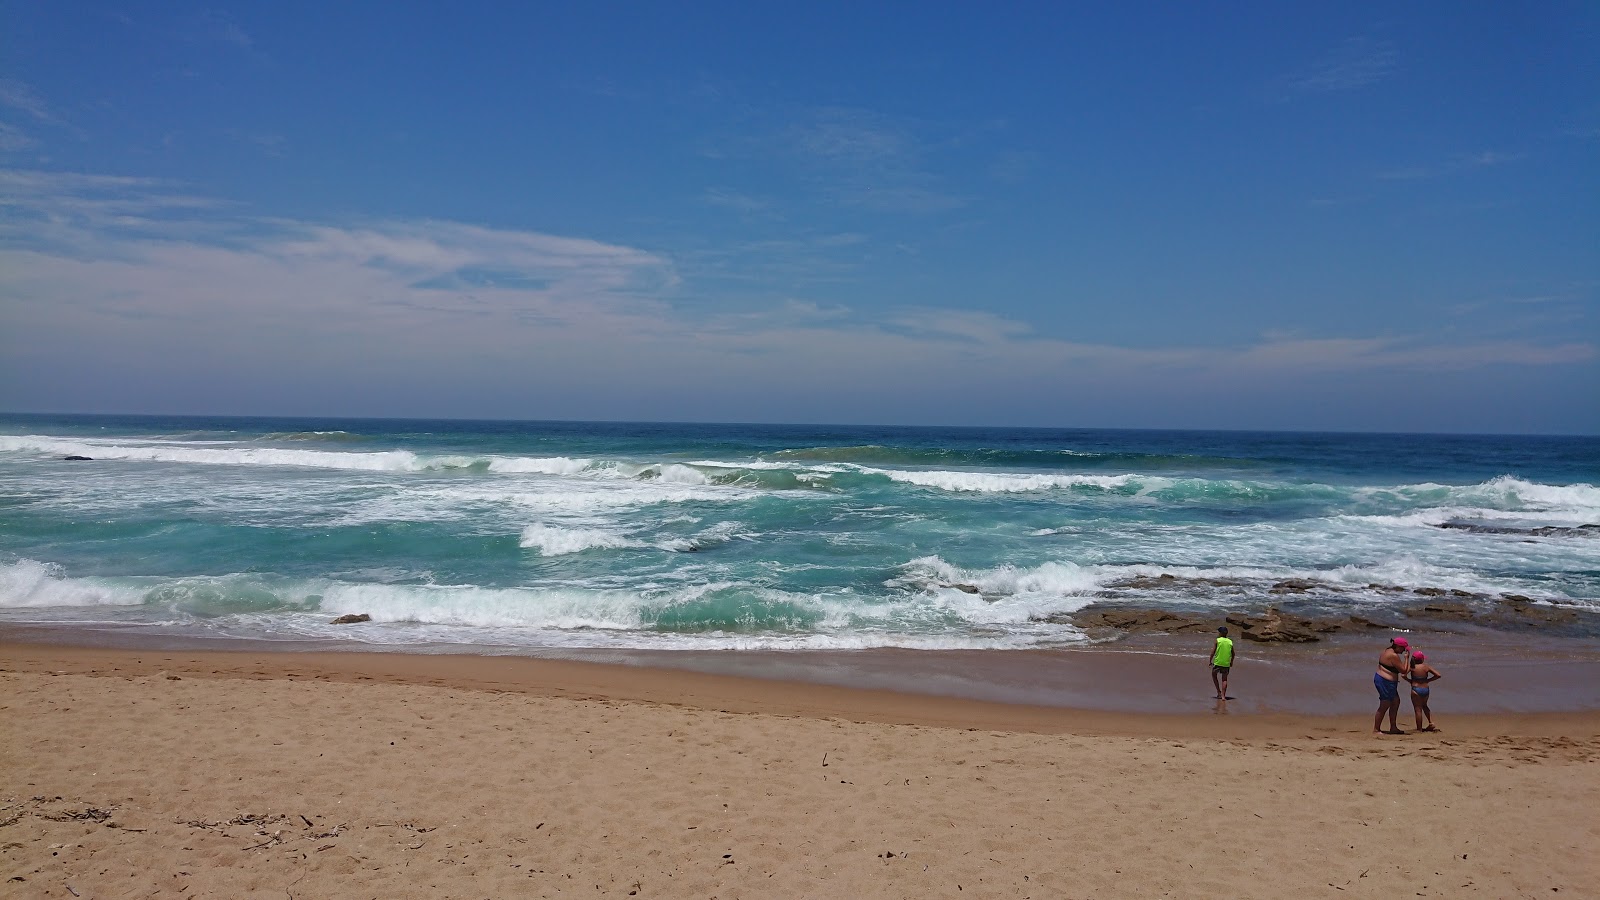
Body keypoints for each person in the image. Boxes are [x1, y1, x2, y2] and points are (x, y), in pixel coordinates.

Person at [1373, 636, 1411, 735]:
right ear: (1397, 646)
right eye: (1403, 648)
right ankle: (1376, 729)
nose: (1404, 651)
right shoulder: (1393, 655)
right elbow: (1404, 671)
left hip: (1386, 681)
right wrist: (1407, 659)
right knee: (1385, 704)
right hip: (1385, 681)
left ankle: (1393, 727)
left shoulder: (1387, 650)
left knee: (1395, 701)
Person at [1407, 651, 1442, 732]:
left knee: (1418, 709)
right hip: (1426, 689)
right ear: (1422, 659)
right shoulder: (1426, 667)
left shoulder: (1412, 667)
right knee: (1425, 706)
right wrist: (1428, 680)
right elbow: (1438, 675)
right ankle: (1431, 722)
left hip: (1415, 689)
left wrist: (1410, 681)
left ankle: (1419, 728)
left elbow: (1403, 675)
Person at [1210, 626, 1235, 699]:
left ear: (1220, 633)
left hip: (1218, 662)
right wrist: (1231, 662)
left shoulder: (1218, 640)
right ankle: (1223, 696)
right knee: (1224, 679)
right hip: (1226, 663)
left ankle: (1218, 692)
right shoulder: (1230, 641)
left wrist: (1210, 660)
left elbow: (1213, 652)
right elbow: (1233, 654)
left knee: (1214, 675)